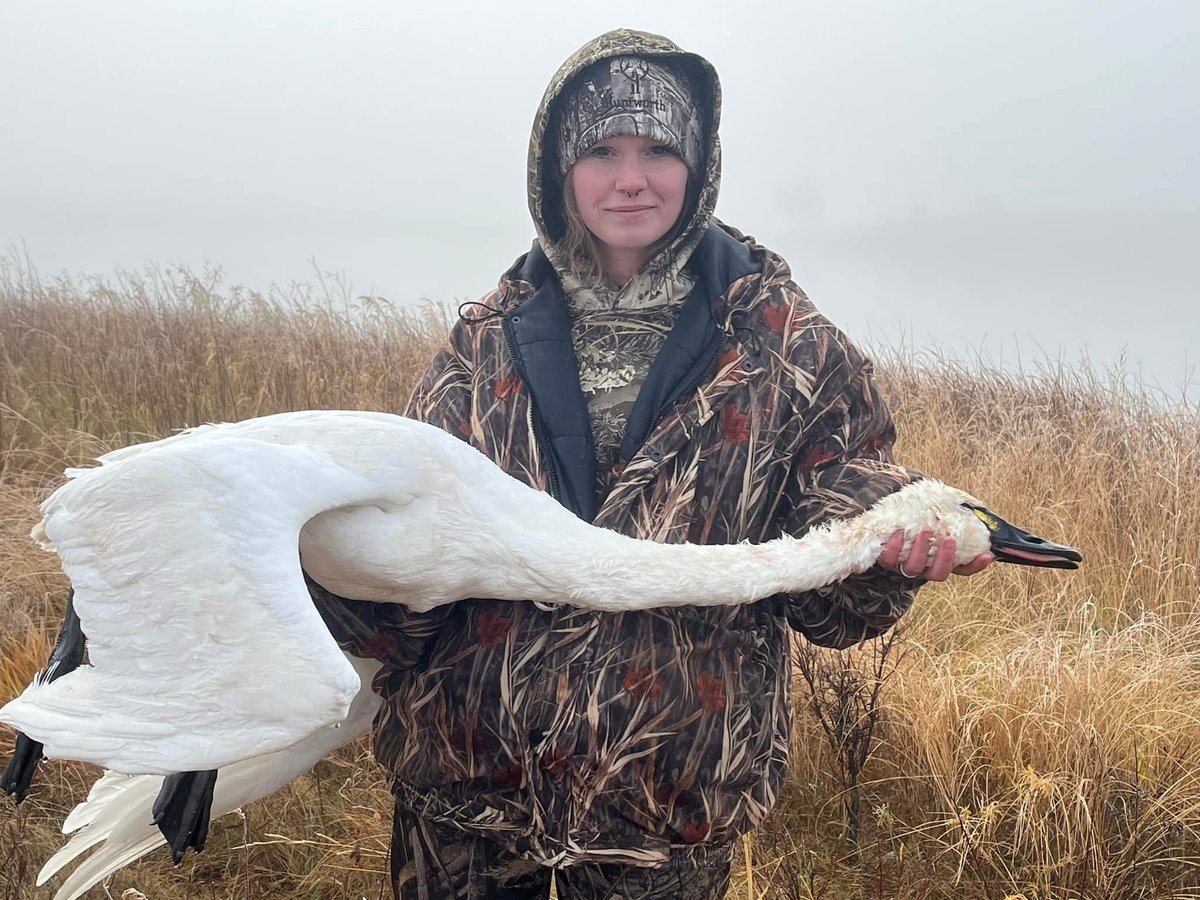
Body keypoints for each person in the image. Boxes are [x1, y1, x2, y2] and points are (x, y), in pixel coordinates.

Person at [313, 27, 991, 899]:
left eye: (657, 149)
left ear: (699, 161)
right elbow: (400, 571)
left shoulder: (786, 346)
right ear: (557, 168)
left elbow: (832, 577)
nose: (630, 177)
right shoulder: (481, 344)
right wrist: (313, 578)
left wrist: (885, 559)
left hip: (667, 809)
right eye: (601, 150)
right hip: (466, 803)